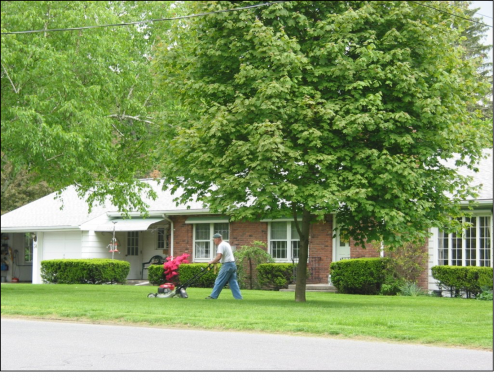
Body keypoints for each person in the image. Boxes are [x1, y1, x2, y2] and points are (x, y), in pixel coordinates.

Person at [205, 233, 243, 300]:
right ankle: (239, 298)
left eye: (214, 240)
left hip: (227, 265)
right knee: (233, 282)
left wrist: (211, 262)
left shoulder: (221, 245)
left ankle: (213, 296)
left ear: (217, 239)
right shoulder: (226, 244)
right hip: (233, 264)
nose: (214, 241)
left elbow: (219, 256)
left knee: (219, 280)